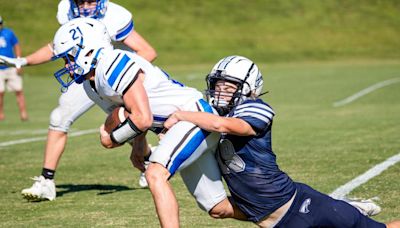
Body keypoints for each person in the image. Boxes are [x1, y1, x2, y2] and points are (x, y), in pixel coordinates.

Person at [51, 18, 246, 228]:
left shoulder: (111, 63)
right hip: (178, 127)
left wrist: (110, 139)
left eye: (69, 57)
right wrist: (137, 146)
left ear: (88, 50)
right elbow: (131, 113)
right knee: (218, 207)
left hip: (194, 117)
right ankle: (275, 217)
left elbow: (142, 119)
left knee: (155, 174)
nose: (67, 65)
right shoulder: (92, 84)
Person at [163, 55, 400, 228]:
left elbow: (227, 126)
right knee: (217, 209)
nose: (221, 91)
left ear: (248, 88)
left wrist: (181, 114)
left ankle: (349, 209)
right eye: (218, 84)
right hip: (268, 216)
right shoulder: (212, 115)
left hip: (300, 207)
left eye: (230, 85)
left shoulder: (255, 108)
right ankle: (350, 208)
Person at [0, 0, 156, 201]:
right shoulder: (66, 10)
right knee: (59, 117)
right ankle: (47, 181)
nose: (86, 5)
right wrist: (23, 61)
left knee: (126, 128)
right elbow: (56, 47)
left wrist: (123, 77)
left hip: (113, 80)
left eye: (90, 0)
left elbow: (147, 51)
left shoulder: (115, 15)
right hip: (85, 76)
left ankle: (148, 159)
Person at [0, 16, 28, 121]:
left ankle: (23, 113)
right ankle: (1, 113)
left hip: (10, 66)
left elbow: (16, 46)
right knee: (0, 92)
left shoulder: (8, 33)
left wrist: (18, 62)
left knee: (19, 90)